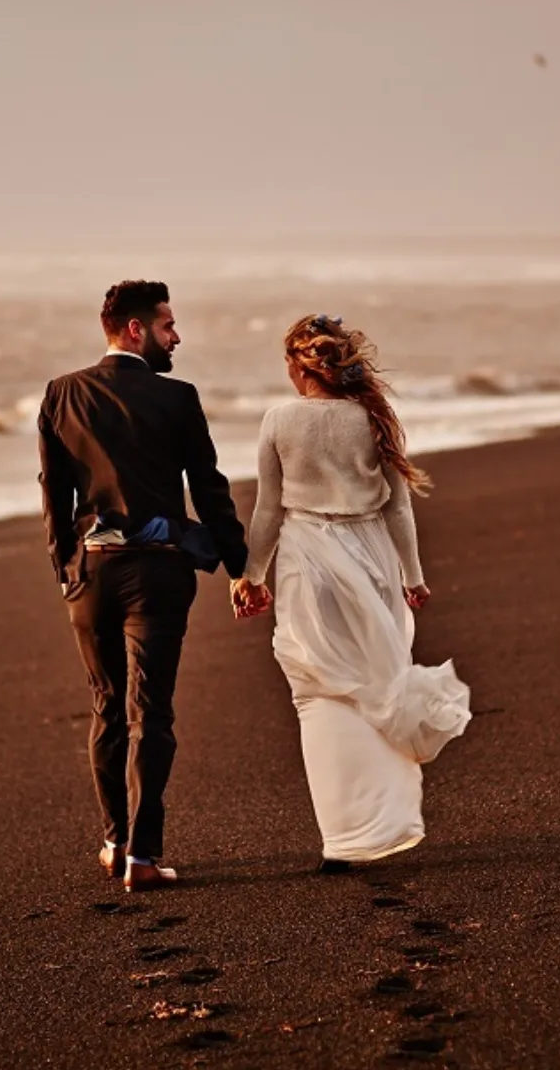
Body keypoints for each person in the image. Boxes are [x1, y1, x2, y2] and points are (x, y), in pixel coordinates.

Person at [233, 314, 471, 871]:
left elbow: (268, 509)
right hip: (372, 559)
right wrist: (413, 576)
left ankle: (344, 839)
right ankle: (385, 821)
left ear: (299, 366)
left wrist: (252, 575)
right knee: (378, 679)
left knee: (317, 692)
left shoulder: (279, 419)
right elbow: (397, 506)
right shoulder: (372, 418)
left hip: (307, 558)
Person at [37, 280, 250, 892]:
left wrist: (65, 571)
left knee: (106, 708)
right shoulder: (178, 399)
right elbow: (209, 490)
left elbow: (53, 493)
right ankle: (144, 856)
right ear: (136, 330)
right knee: (151, 713)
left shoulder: (62, 393)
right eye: (167, 326)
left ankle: (114, 841)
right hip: (158, 573)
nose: (176, 337)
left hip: (93, 575)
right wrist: (239, 568)